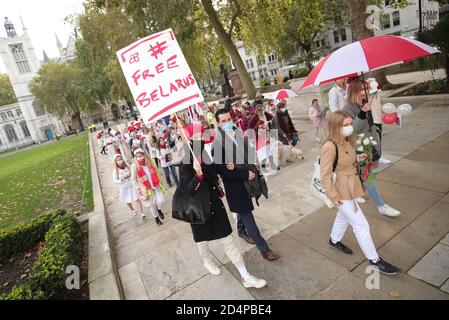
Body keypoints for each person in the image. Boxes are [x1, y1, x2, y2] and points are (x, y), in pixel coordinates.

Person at [178, 124, 267, 288]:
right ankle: (206, 260)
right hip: (199, 209)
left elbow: (215, 174)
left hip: (215, 206)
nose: (201, 138)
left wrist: (228, 165)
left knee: (228, 240)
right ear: (189, 139)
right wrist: (197, 175)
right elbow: (189, 188)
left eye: (201, 135)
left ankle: (245, 276)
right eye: (197, 136)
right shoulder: (186, 161)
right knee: (202, 242)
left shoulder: (204, 154)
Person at [320, 110, 401, 275]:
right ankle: (375, 260)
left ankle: (334, 241)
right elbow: (325, 175)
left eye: (350, 124)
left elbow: (344, 159)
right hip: (342, 190)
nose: (350, 127)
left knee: (343, 216)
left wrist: (357, 158)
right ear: (336, 126)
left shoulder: (346, 139)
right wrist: (334, 197)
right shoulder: (329, 146)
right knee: (361, 225)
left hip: (351, 185)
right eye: (346, 125)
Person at [213, 109, 280, 262]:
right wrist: (243, 174)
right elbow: (222, 170)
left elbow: (248, 152)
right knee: (248, 216)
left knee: (244, 211)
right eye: (223, 121)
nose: (227, 123)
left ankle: (241, 231)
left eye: (228, 119)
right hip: (236, 188)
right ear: (218, 124)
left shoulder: (238, 133)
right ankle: (264, 249)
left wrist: (253, 163)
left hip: (249, 182)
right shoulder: (217, 145)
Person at [343, 79, 401, 217]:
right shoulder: (348, 109)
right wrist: (362, 113)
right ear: (355, 91)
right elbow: (352, 129)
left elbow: (373, 124)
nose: (366, 92)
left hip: (373, 145)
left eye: (367, 89)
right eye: (363, 89)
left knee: (365, 176)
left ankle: (352, 193)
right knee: (370, 178)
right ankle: (381, 205)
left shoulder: (366, 102)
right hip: (362, 149)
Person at [131, 149, 166, 226]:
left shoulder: (150, 161)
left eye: (141, 156)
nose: (140, 158)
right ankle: (156, 217)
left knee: (161, 201)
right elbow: (133, 179)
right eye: (137, 157)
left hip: (155, 184)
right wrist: (138, 188)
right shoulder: (134, 166)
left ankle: (159, 209)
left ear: (144, 155)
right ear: (135, 158)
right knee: (152, 204)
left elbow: (157, 171)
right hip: (146, 189)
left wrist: (160, 181)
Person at [367, 78, 391, 164]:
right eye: (373, 84)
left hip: (378, 118)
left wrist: (385, 113)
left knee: (378, 138)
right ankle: (377, 156)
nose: (375, 85)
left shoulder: (376, 93)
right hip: (374, 119)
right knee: (376, 138)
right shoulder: (370, 94)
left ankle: (378, 155)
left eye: (375, 83)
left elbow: (378, 106)